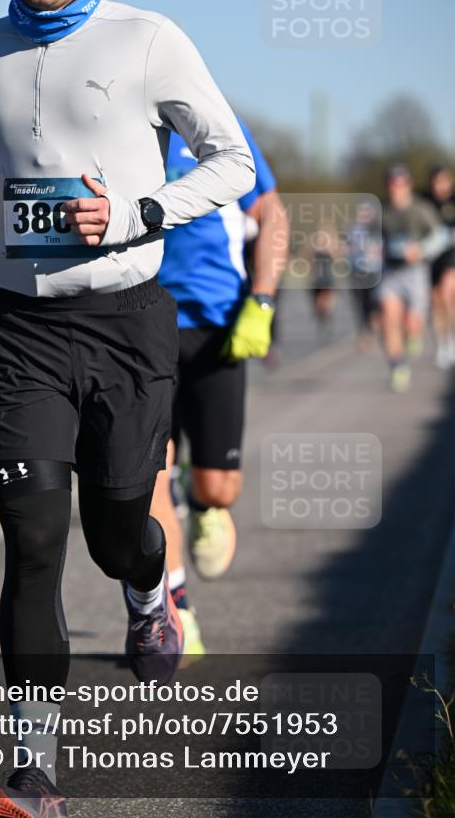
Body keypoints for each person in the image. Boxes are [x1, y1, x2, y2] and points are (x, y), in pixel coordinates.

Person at [0, 0, 255, 818]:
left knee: (116, 533)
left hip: (123, 322)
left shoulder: (149, 40)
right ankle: (33, 773)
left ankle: (150, 597)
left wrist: (141, 209)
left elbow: (230, 160)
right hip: (17, 327)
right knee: (32, 544)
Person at [151, 125, 288, 656]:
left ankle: (205, 502)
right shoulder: (119, 127)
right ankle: (175, 613)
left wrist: (264, 300)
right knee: (146, 476)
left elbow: (271, 214)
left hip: (217, 325)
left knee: (218, 487)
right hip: (140, 325)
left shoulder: (221, 129)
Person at [378, 164, 446, 392]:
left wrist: (422, 250)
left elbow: (440, 236)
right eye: (392, 185)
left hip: (416, 271)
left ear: (408, 185)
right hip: (391, 271)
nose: (396, 189)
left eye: (400, 184)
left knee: (412, 324)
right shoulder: (383, 211)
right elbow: (370, 239)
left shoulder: (421, 209)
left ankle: (412, 336)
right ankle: (397, 366)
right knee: (388, 317)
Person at [424, 164, 455, 368]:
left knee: (447, 294)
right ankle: (441, 343)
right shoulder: (426, 202)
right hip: (431, 257)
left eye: (443, 181)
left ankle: (451, 339)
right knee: (435, 302)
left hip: (451, 255)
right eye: (436, 182)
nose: (439, 186)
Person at [347, 198, 383, 352]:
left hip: (374, 271)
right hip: (357, 270)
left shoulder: (378, 228)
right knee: (360, 304)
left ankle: (371, 331)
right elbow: (347, 247)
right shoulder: (353, 229)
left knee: (373, 303)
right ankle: (365, 333)